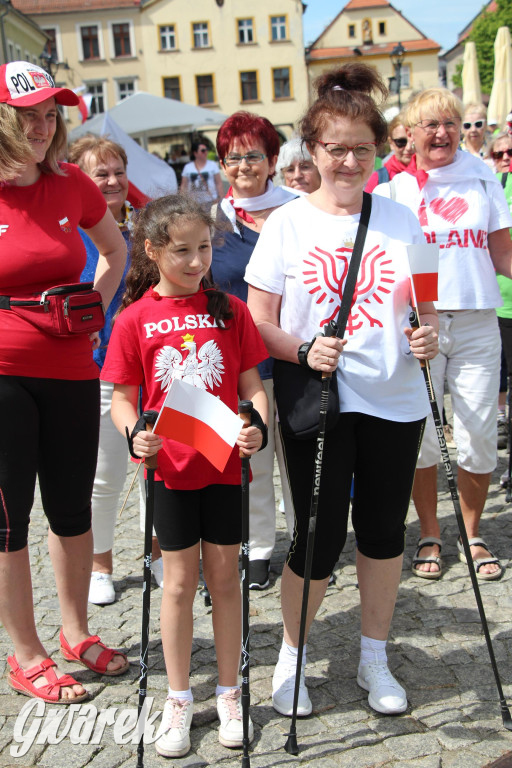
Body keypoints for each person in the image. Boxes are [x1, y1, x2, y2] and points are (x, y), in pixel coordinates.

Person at [246, 63, 438, 717]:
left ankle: (374, 659)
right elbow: (257, 322)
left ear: (378, 150)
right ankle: (292, 659)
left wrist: (427, 336)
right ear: (313, 150)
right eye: (336, 148)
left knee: (385, 531)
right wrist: (301, 348)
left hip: (395, 396)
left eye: (361, 148)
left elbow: (425, 308)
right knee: (319, 536)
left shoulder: (402, 219)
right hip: (317, 397)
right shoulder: (286, 225)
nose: (349, 160)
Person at [101, 194, 268, 757]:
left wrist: (258, 430)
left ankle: (229, 690)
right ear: (151, 250)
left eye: (204, 248)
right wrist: (134, 435)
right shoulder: (134, 319)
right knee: (176, 583)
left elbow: (252, 388)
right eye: (182, 251)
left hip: (223, 462)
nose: (197, 261)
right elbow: (123, 399)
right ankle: (177, 696)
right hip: (169, 469)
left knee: (225, 581)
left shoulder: (230, 309)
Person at [0, 61, 128, 704]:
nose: (44, 128)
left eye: (51, 116)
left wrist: (94, 311)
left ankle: (76, 631)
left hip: (73, 369)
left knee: (72, 508)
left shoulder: (73, 182)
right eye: (28, 118)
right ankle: (26, 654)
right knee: (8, 520)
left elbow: (115, 250)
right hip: (3, 378)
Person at [375, 87, 512, 581]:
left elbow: (502, 256)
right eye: (430, 124)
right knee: (426, 437)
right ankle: (431, 530)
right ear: (409, 135)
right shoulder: (394, 190)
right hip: (419, 326)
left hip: (477, 319)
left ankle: (472, 532)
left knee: (477, 434)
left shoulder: (484, 179)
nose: (442, 132)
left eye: (451, 122)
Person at [67, 135, 163, 603]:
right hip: (100, 371)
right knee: (105, 476)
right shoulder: (68, 234)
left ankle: (161, 554)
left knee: (158, 469)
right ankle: (100, 563)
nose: (110, 181)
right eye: (98, 173)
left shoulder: (147, 229)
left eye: (117, 172)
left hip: (154, 370)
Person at [211, 111, 296, 590]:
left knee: (301, 456)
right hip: (242, 364)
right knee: (254, 458)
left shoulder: (300, 210)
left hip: (298, 356)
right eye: (233, 157)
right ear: (222, 164)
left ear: (273, 159)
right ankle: (259, 549)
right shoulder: (210, 221)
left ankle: (307, 541)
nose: (243, 165)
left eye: (253, 155)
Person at [365, 111, 414, 192]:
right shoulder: (379, 178)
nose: (408, 147)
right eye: (401, 142)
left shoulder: (434, 175)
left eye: (412, 141)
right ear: (391, 143)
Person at [180, 140, 224, 212]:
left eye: (206, 150)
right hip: (193, 202)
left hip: (210, 200)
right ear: (195, 153)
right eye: (203, 151)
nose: (205, 152)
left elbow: (218, 183)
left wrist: (221, 198)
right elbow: (184, 185)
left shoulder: (212, 165)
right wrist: (182, 201)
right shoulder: (188, 167)